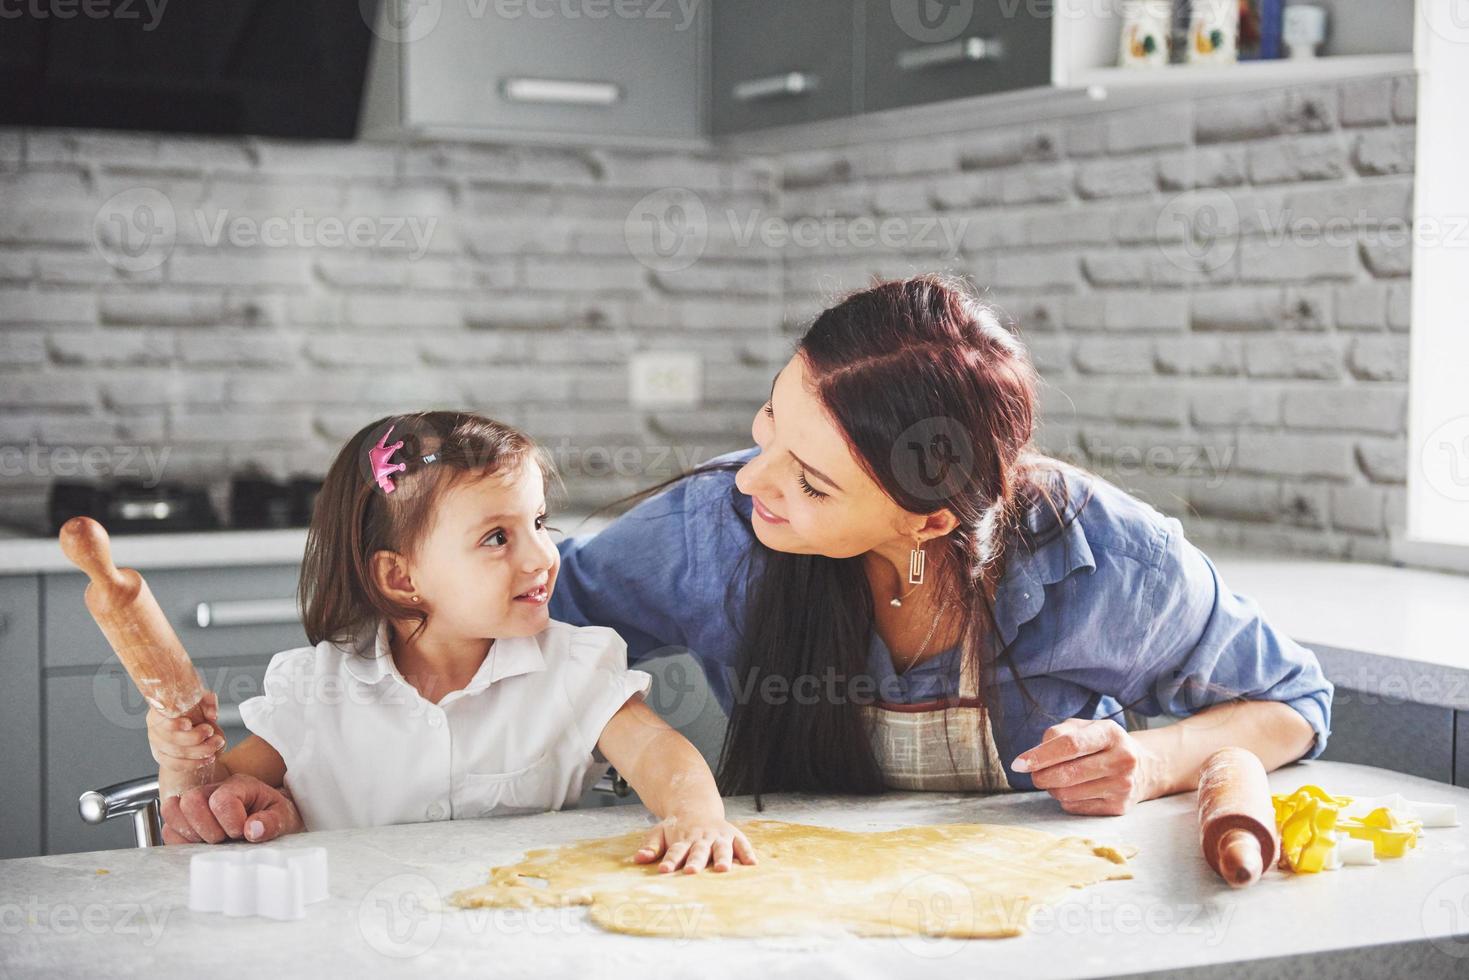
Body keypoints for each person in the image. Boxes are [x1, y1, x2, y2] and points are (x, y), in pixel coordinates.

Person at [551, 274, 1334, 816]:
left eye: (813, 484)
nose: (753, 481)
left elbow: (1291, 703)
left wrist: (1152, 763)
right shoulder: (708, 528)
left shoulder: (1109, 560)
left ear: (930, 522)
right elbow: (532, 620)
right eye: (768, 424)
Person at [146, 411, 756, 873]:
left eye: (538, 523)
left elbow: (659, 754)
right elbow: (218, 803)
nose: (543, 556)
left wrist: (695, 816)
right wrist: (186, 766)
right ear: (401, 577)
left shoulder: (573, 666)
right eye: (497, 537)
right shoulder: (316, 689)